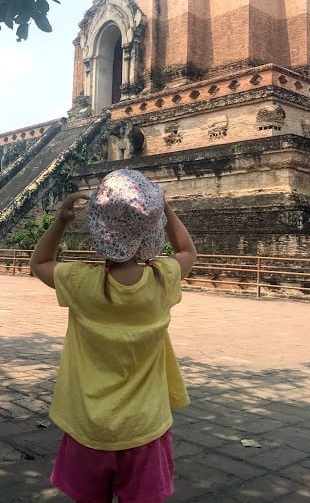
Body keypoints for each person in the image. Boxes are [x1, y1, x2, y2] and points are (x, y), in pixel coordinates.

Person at [30, 168, 197, 503]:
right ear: (151, 231)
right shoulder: (162, 279)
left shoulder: (81, 282)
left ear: (100, 230)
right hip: (145, 427)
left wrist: (61, 221)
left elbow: (40, 262)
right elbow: (187, 252)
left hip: (89, 428)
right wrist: (165, 208)